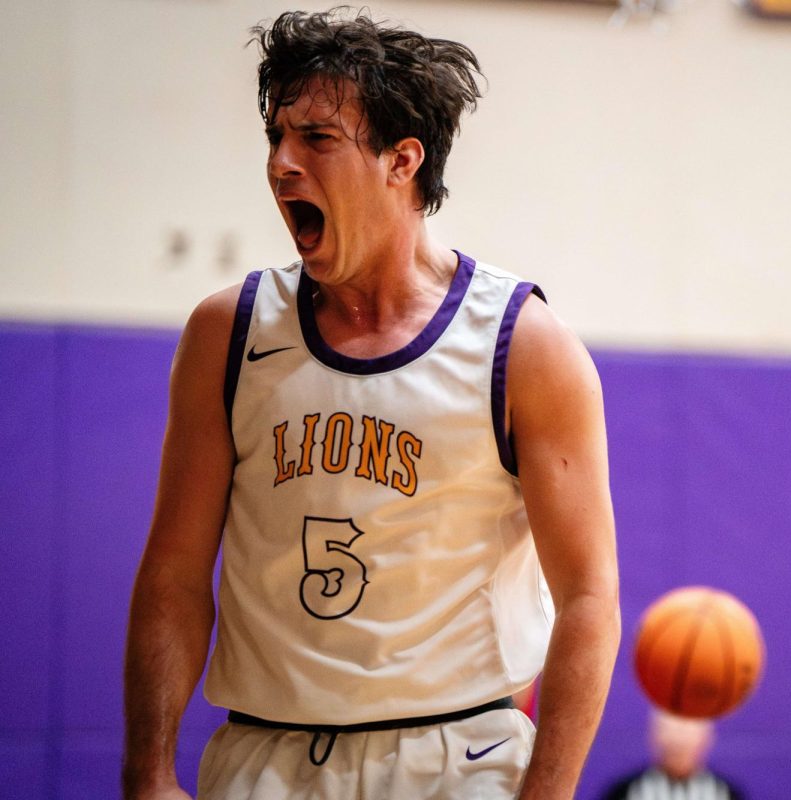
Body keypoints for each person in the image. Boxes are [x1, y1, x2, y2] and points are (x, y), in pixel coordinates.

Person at [121, 9, 620, 800]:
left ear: (402, 160)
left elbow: (589, 599)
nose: (282, 164)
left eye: (316, 139)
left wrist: (548, 793)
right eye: (276, 137)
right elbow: (175, 574)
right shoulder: (229, 332)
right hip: (262, 757)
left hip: (458, 759)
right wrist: (147, 772)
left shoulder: (525, 345)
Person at [599, 708, 744, 800]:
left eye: (687, 731)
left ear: (706, 739)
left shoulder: (726, 792)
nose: (678, 739)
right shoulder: (625, 791)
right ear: (653, 737)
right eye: (669, 730)